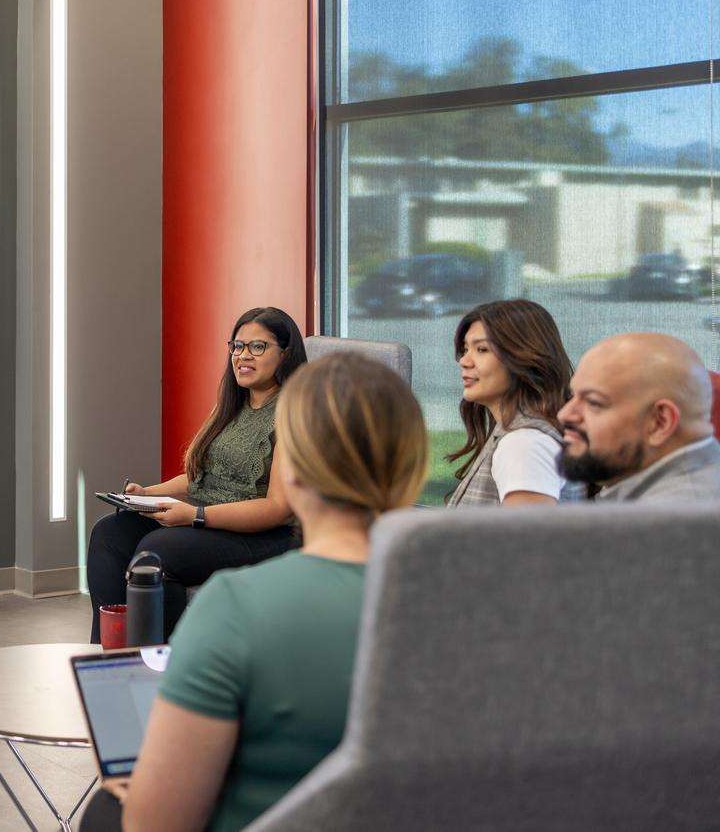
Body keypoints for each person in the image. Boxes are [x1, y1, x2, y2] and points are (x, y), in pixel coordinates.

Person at [80, 353, 429, 832]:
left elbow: (155, 822)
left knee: (105, 811)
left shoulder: (233, 608)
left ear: (294, 471)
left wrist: (131, 785)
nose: (243, 354)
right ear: (413, 467)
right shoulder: (460, 613)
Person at [84, 307, 307, 641]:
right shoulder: (231, 406)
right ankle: (108, 653)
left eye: (257, 347)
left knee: (158, 551)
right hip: (209, 520)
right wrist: (147, 494)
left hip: (264, 535)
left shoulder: (293, 413)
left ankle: (161, 662)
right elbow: (201, 475)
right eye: (237, 346)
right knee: (109, 533)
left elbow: (278, 508)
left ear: (285, 353)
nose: (243, 356)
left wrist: (195, 516)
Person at [443, 300, 583, 506]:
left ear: (524, 357)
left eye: (482, 349)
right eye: (465, 349)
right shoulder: (519, 434)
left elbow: (527, 528)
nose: (464, 361)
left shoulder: (526, 444)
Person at [559, 332, 720, 501]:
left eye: (593, 402)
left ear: (659, 422)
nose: (564, 415)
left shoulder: (669, 512)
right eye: (572, 396)